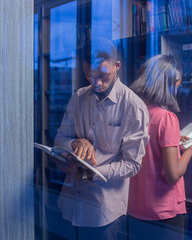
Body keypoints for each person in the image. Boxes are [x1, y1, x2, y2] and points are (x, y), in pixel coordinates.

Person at [53, 38, 149, 240]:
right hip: (69, 204)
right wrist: (75, 143)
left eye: (103, 76)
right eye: (90, 75)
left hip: (103, 213)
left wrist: (89, 174)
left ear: (117, 66)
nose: (96, 83)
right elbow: (60, 139)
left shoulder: (133, 106)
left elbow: (132, 164)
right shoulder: (78, 97)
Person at [127, 55, 192, 240]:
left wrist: (172, 140)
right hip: (164, 213)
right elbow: (173, 174)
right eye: (177, 85)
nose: (178, 90)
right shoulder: (166, 118)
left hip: (135, 208)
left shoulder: (133, 114)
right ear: (166, 85)